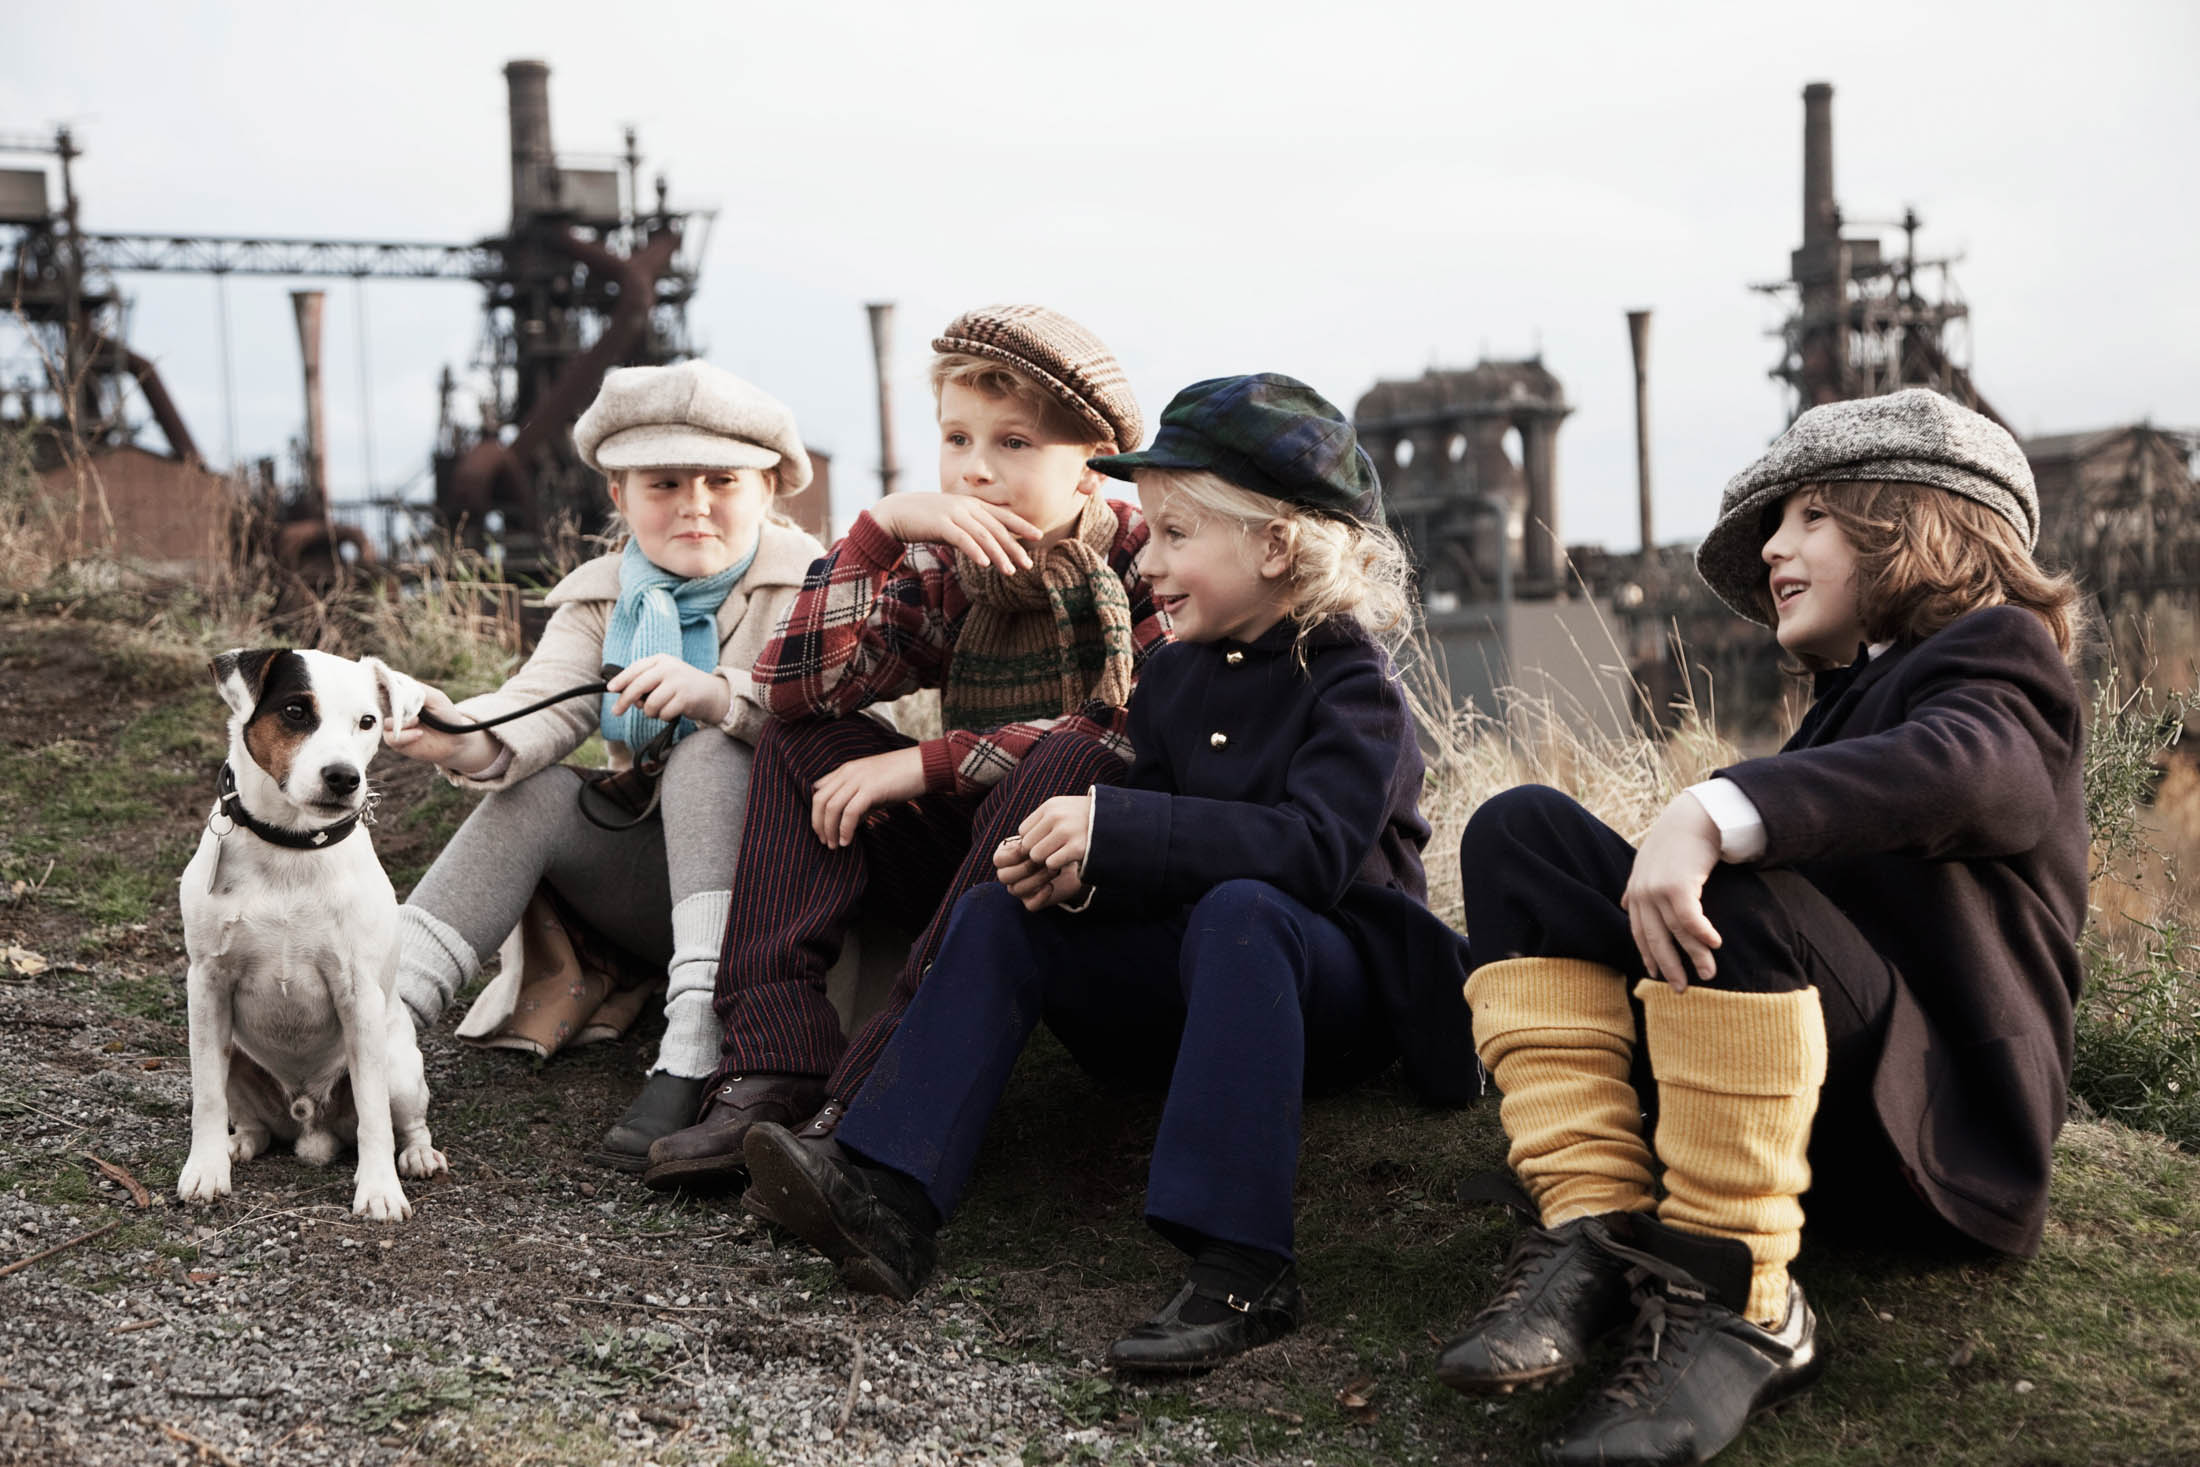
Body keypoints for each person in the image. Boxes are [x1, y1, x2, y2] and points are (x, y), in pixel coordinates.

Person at [737, 374, 1479, 1371]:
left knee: (1245, 909)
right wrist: (1074, 878)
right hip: (1193, 987)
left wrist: (1117, 826)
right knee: (1004, 914)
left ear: (1273, 547)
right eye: (1155, 533)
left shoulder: (1354, 686)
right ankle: (889, 1191)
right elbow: (1148, 867)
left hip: (1324, 996)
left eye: (1177, 537)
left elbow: (1314, 855)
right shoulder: (1170, 674)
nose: (1152, 561)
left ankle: (1242, 1264)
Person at [1437, 387, 2087, 1466]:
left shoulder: (1999, 659)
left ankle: (1744, 1304)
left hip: (1931, 1144)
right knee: (1521, 831)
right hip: (1788, 1107)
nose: (1775, 550)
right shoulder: (1848, 699)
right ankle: (1590, 1224)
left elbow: (1982, 774)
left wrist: (1719, 807)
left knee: (1734, 882)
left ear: (1915, 521)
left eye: (1809, 519)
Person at [642, 305, 1168, 1193]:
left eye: (1014, 444)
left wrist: (925, 762)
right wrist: (878, 533)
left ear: (1092, 463)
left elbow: (1131, 736)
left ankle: (869, 1092)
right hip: (976, 857)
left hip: (1093, 880)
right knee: (805, 738)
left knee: (1072, 762)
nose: (975, 469)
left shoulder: (1146, 558)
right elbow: (792, 687)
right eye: (957, 438)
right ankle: (772, 1066)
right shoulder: (950, 564)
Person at [384, 360, 831, 1173]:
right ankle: (377, 1024)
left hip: (785, 901)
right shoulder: (601, 598)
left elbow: (838, 728)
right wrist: (451, 730)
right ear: (620, 498)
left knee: (705, 754)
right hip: (665, 890)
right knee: (542, 793)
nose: (694, 505)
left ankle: (696, 1046)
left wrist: (719, 696)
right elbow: (541, 709)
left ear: (768, 490)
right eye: (663, 483)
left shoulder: (813, 586)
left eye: (722, 481)